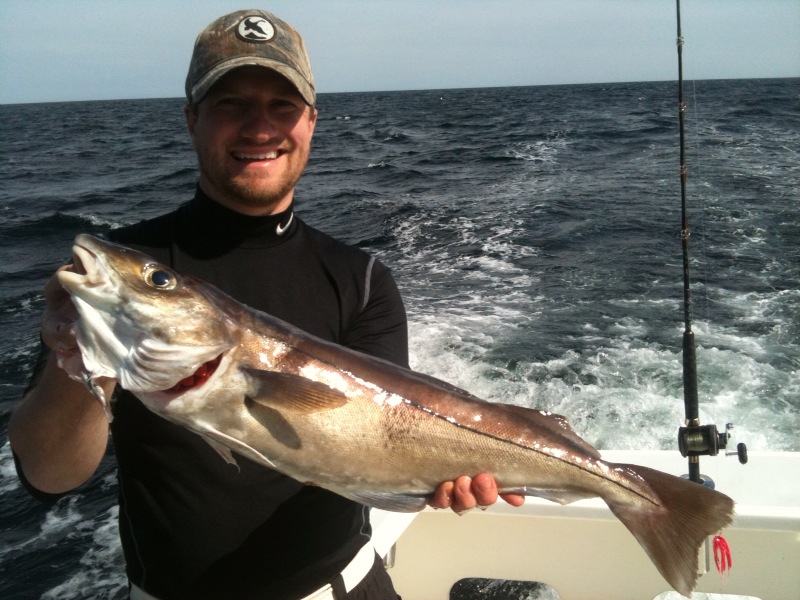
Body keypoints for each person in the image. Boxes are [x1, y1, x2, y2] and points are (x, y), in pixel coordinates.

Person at [9, 9, 523, 600]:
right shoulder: (135, 268)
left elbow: (389, 438)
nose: (260, 128)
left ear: (311, 122)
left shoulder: (361, 279)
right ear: (192, 119)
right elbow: (49, 476)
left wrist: (447, 472)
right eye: (231, 104)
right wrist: (76, 357)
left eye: (283, 105)